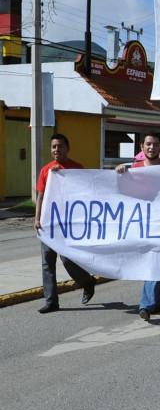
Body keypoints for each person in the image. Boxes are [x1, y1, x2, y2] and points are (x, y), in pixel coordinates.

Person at [33, 134, 96, 314]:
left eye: (60, 146)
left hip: (68, 223)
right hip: (48, 222)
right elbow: (41, 196)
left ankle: (87, 282)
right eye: (53, 147)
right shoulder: (46, 171)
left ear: (67, 149)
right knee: (47, 262)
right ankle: (51, 301)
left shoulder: (76, 168)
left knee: (68, 259)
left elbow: (85, 194)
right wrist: (37, 218)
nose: (56, 150)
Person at [115, 133, 160, 323]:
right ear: (142, 147)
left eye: (155, 144)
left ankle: (146, 305)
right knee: (154, 261)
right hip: (141, 224)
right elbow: (117, 189)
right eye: (148, 144)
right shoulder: (133, 169)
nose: (151, 147)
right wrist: (119, 171)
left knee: (152, 262)